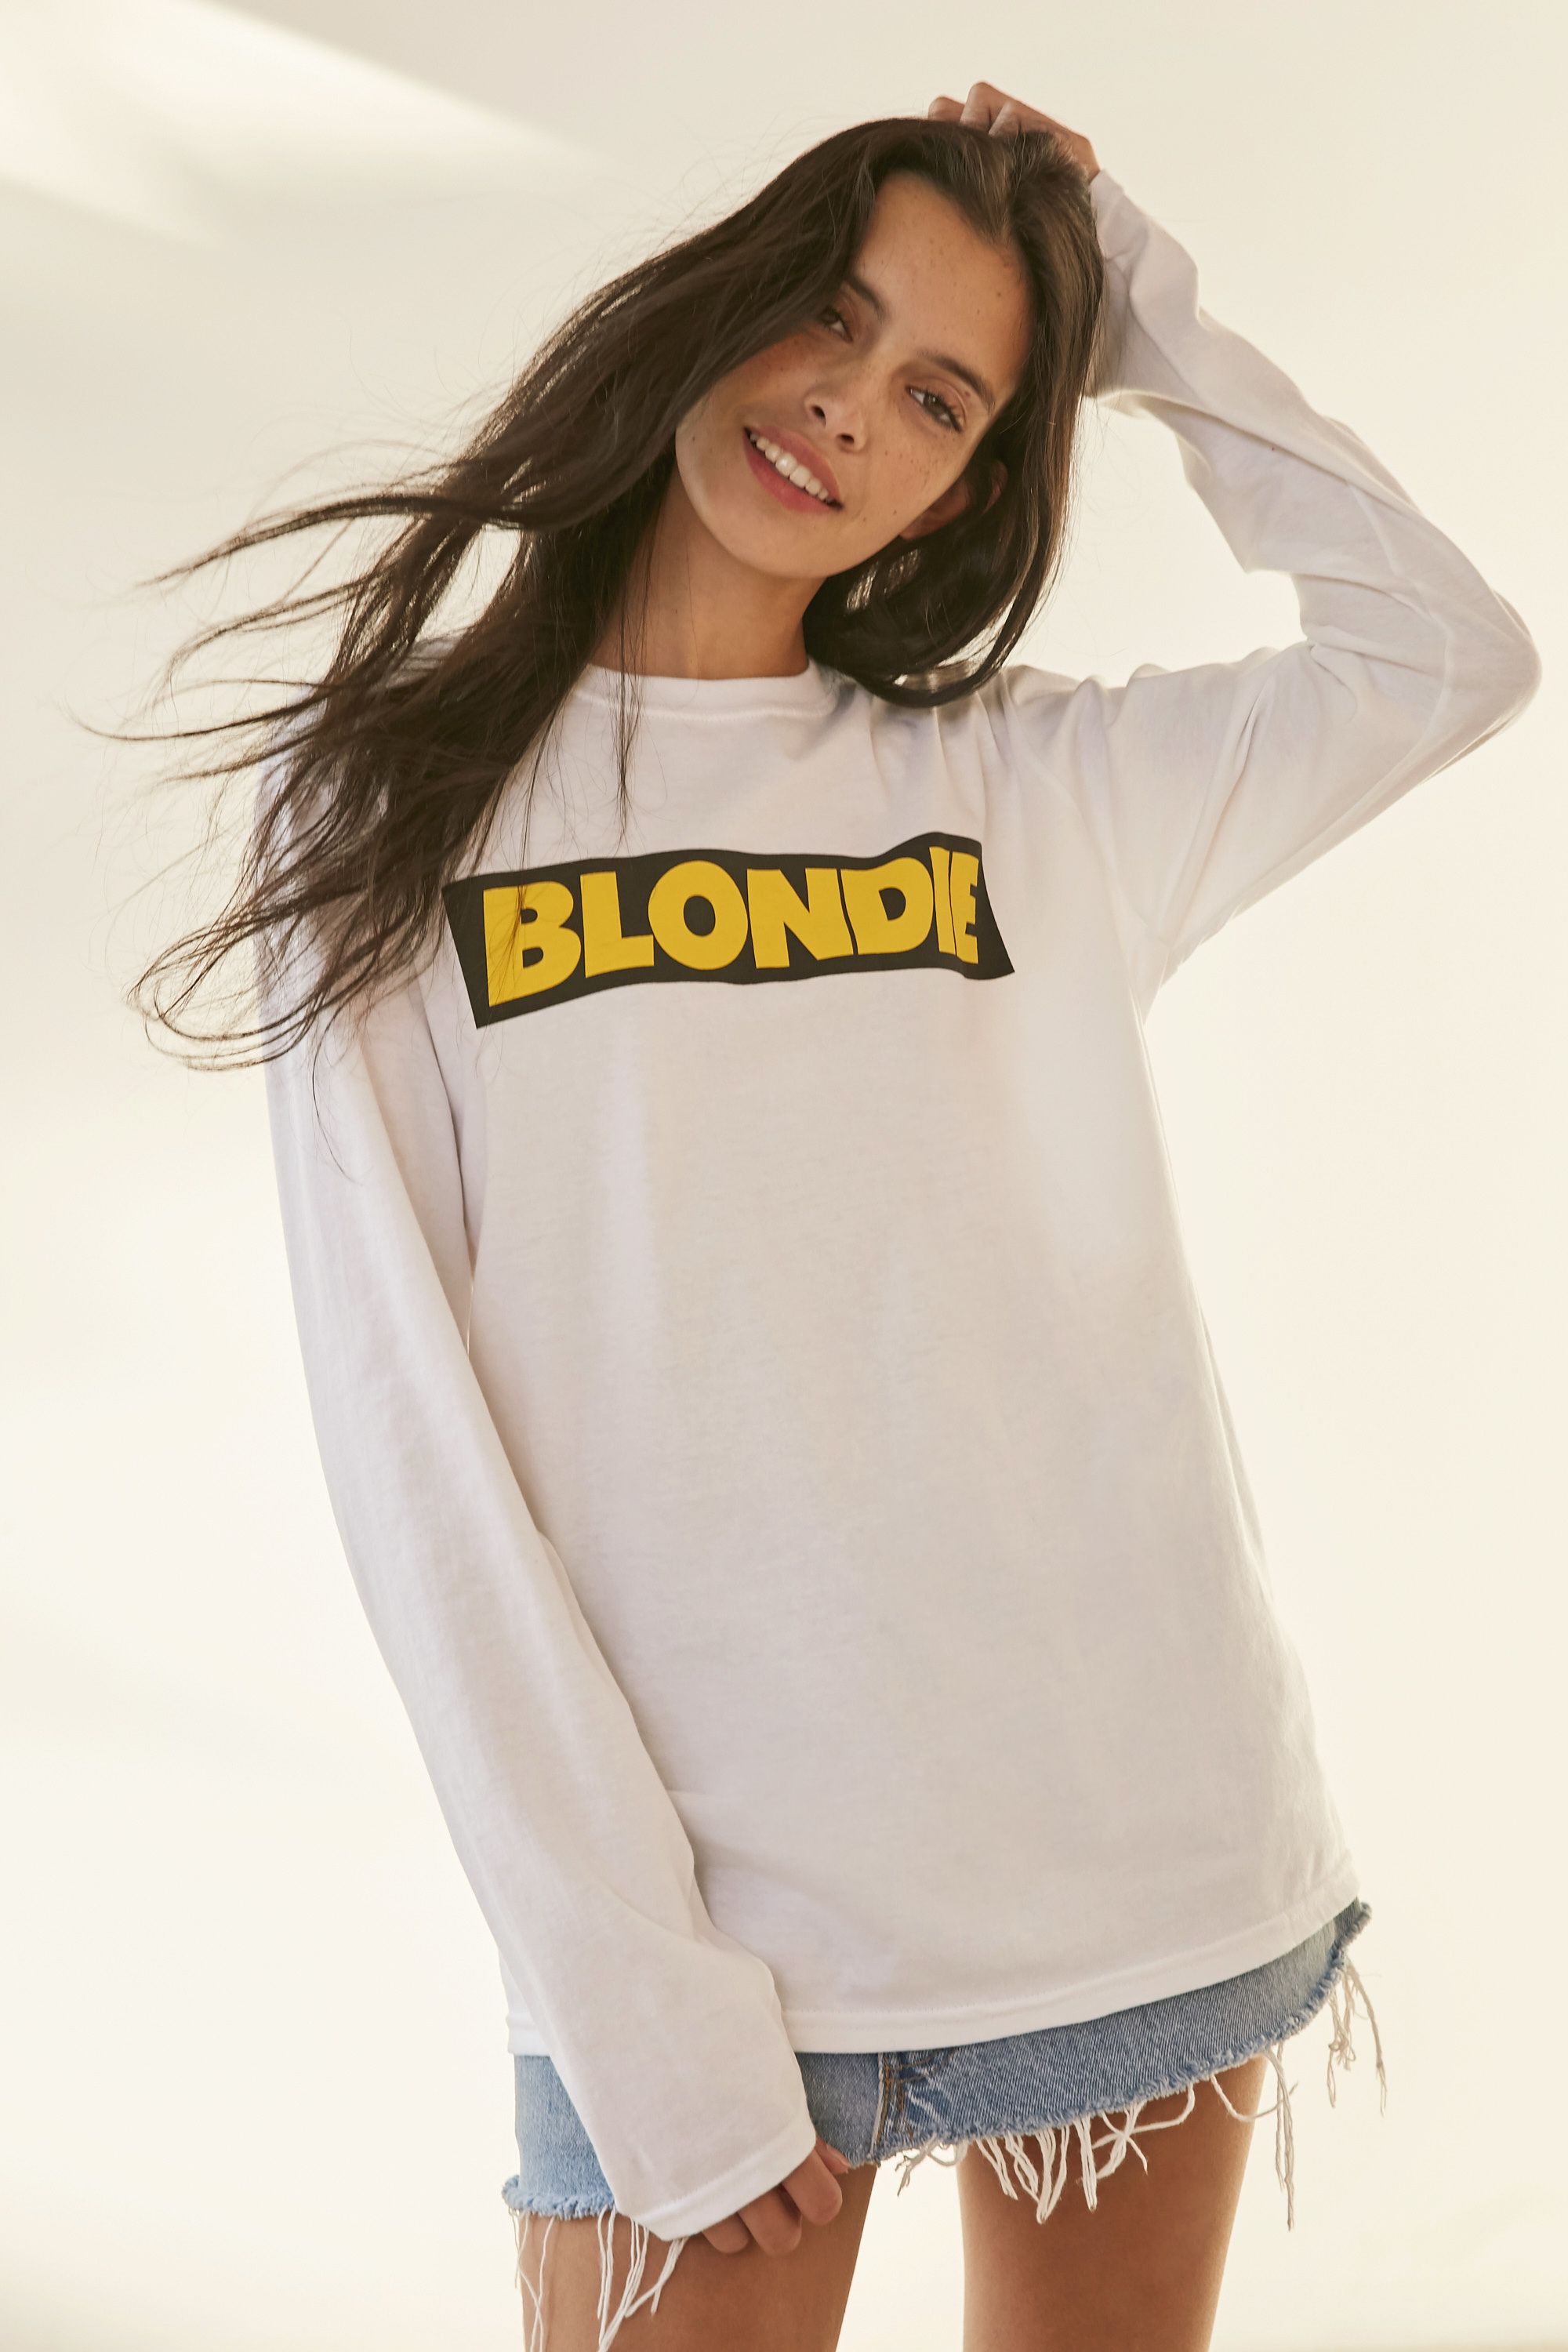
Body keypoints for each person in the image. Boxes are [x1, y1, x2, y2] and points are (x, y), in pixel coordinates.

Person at [127, 80, 1541, 2352]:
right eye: (834, 314)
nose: (850, 407)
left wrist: (1131, 300)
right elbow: (419, 1468)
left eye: (945, 396)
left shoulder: (1033, 791)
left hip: (1134, 1870)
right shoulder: (404, 809)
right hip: (709, 1953)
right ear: (726, 300)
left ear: (970, 483)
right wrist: (643, 2015)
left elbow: (1443, 654)